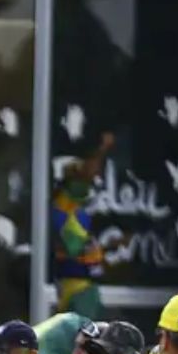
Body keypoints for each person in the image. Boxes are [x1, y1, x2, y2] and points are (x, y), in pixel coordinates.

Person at [51, 133, 115, 318]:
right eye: (80, 179)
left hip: (87, 285)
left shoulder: (79, 211)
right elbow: (75, 246)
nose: (90, 181)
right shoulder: (60, 211)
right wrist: (102, 150)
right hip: (75, 288)